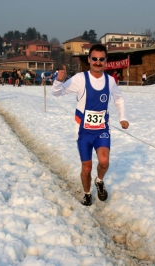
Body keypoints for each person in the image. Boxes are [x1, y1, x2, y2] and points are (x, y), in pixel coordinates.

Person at [52, 43, 129, 206]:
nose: (97, 62)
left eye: (101, 59)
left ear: (106, 61)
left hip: (101, 130)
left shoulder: (110, 81)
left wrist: (123, 117)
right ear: (89, 59)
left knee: (104, 161)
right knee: (86, 167)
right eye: (94, 58)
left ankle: (99, 181)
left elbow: (119, 99)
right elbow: (57, 93)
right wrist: (58, 81)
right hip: (83, 132)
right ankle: (87, 193)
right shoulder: (80, 79)